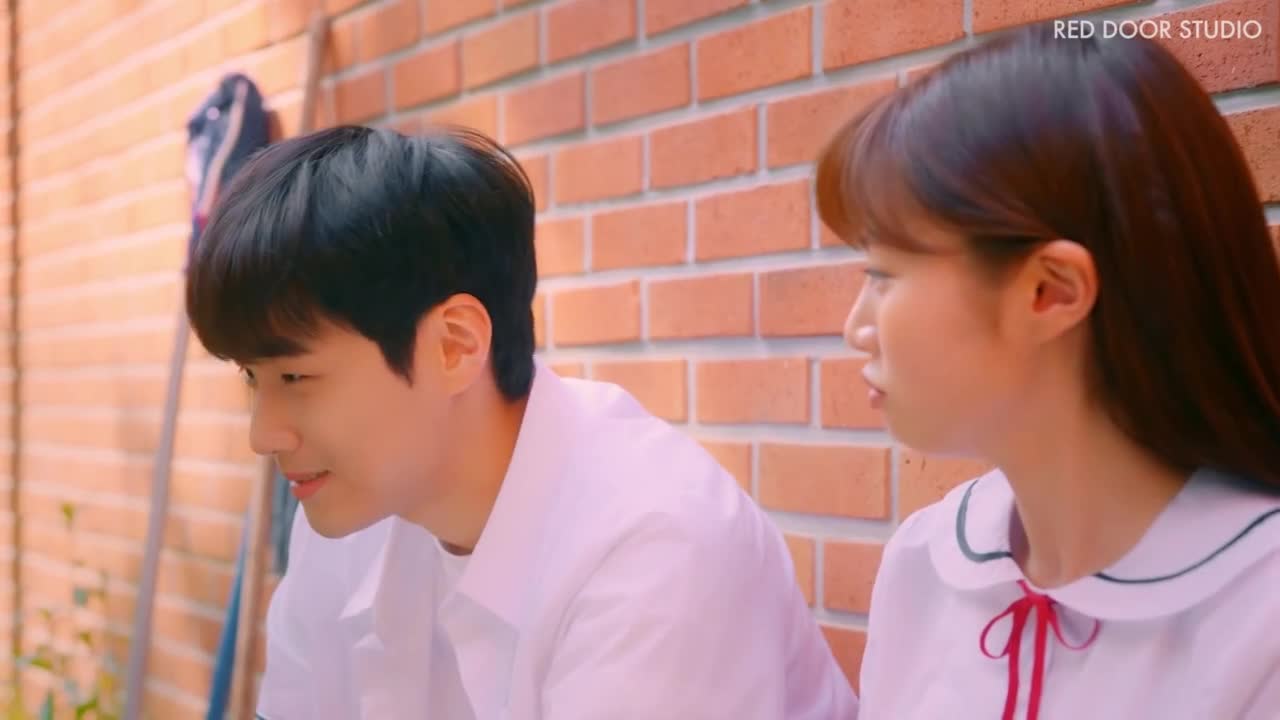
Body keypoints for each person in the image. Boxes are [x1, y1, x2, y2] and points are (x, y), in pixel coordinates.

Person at [185, 124, 858, 719]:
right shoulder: (347, 512)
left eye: (295, 378)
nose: (263, 434)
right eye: (252, 378)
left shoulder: (655, 548)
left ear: (454, 346)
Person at [816, 22, 1280, 720]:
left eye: (883, 274)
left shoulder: (1262, 616)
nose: (856, 328)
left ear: (1051, 291)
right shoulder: (924, 564)